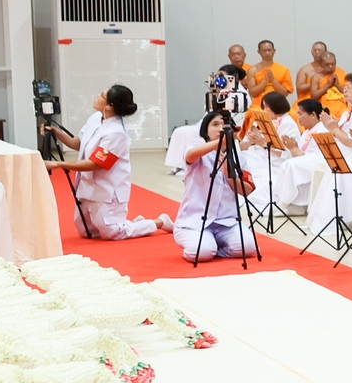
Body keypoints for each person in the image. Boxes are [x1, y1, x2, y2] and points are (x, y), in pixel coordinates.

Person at [46, 84, 157, 239]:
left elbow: (96, 164)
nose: (97, 95)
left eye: (102, 95)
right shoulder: (95, 118)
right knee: (87, 232)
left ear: (110, 106)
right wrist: (57, 133)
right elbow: (78, 143)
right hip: (87, 186)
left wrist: (58, 164)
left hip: (108, 189)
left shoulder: (116, 132)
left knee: (113, 233)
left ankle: (157, 223)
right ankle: (132, 222)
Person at [170, 109, 253, 261]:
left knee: (248, 246)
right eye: (215, 124)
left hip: (227, 222)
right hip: (194, 221)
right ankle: (205, 245)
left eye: (225, 124)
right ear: (206, 131)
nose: (221, 128)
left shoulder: (239, 158)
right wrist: (218, 143)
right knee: (201, 253)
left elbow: (247, 190)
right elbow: (190, 156)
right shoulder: (197, 150)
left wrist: (230, 175)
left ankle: (217, 248)